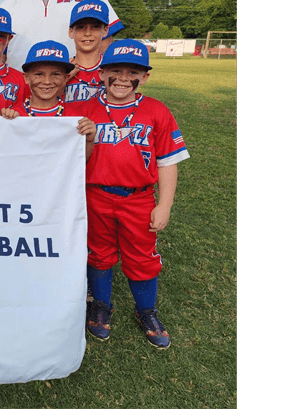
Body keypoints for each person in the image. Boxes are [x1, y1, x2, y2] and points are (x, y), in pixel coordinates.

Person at [80, 39, 190, 349]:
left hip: (139, 197)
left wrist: (164, 204)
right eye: (115, 70)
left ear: (145, 77)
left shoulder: (156, 110)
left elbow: (167, 162)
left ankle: (146, 311)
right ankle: (101, 307)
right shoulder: (86, 109)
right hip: (96, 194)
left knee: (141, 255)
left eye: (133, 72)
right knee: (98, 252)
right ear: (102, 74)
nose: (123, 78)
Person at [63, 0, 111, 105]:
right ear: (71, 32)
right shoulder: (62, 70)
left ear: (105, 31)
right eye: (80, 27)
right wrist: (62, 79)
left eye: (95, 27)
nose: (87, 33)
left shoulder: (113, 69)